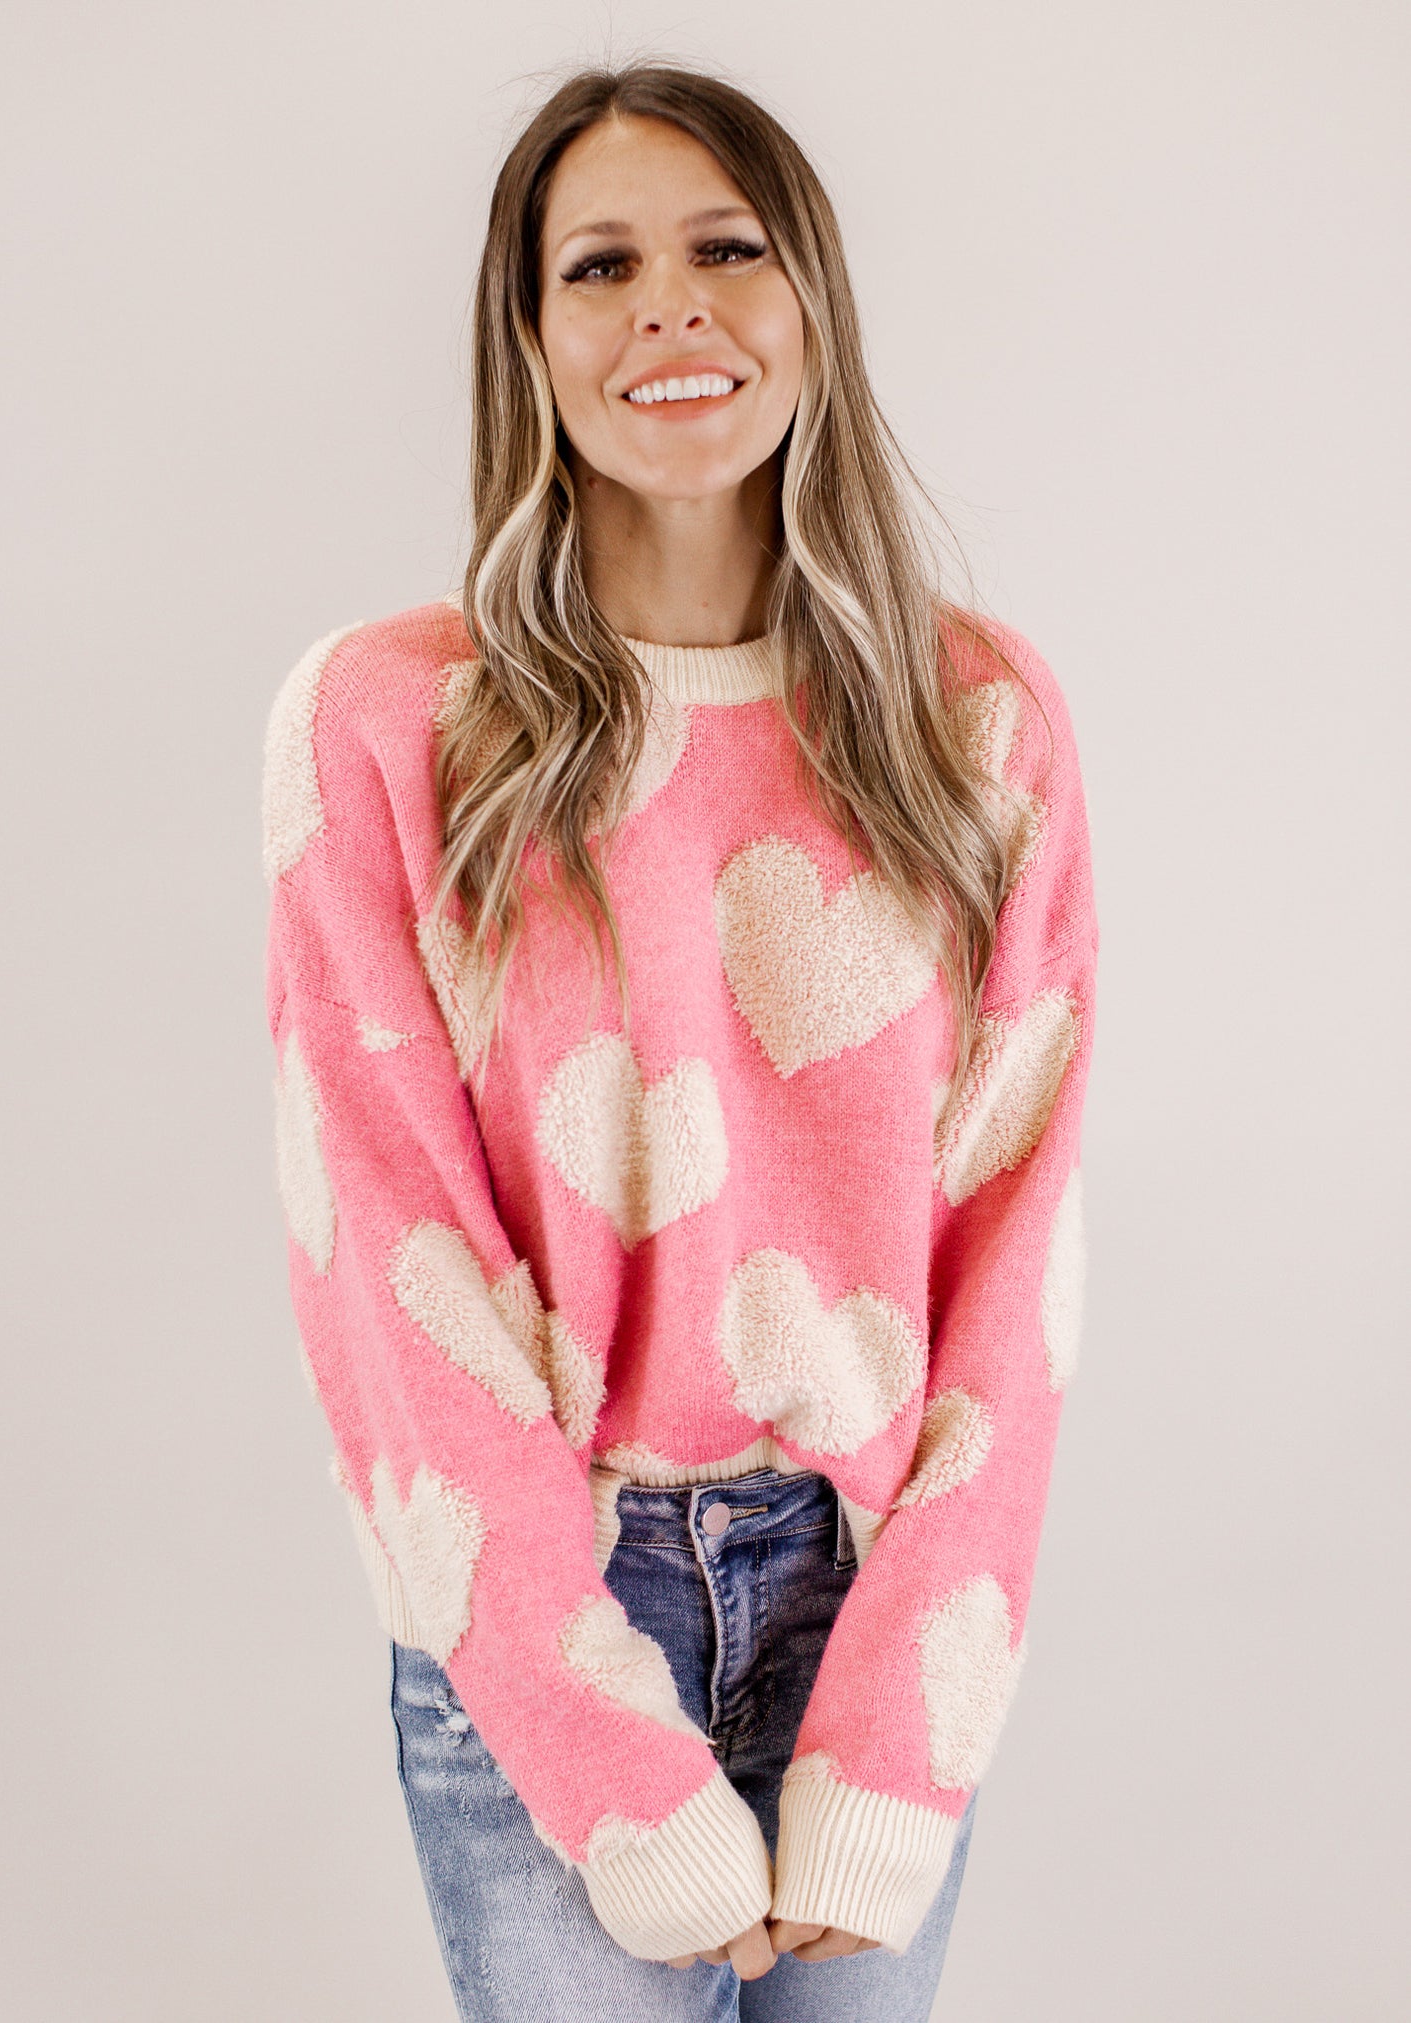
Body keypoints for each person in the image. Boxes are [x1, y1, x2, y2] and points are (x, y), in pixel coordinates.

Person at [263, 59, 1098, 2023]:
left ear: (812, 298)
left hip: (874, 1594)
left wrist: (901, 1743)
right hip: (543, 1606)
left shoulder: (975, 721)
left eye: (728, 249)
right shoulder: (391, 726)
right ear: (528, 335)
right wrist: (611, 1766)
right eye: (600, 265)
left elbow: (1017, 1267)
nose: (669, 309)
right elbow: (386, 1264)